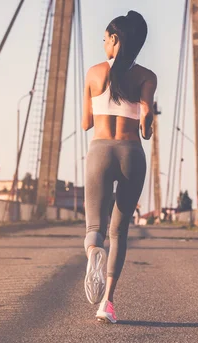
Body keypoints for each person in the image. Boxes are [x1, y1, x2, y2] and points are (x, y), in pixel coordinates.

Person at [81, 10, 157, 323]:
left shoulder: (94, 73)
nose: (103, 44)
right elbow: (146, 123)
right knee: (120, 231)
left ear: (114, 40)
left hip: (100, 150)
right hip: (131, 154)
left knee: (94, 228)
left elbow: (86, 123)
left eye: (104, 39)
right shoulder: (147, 77)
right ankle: (107, 304)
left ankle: (92, 254)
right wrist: (147, 125)